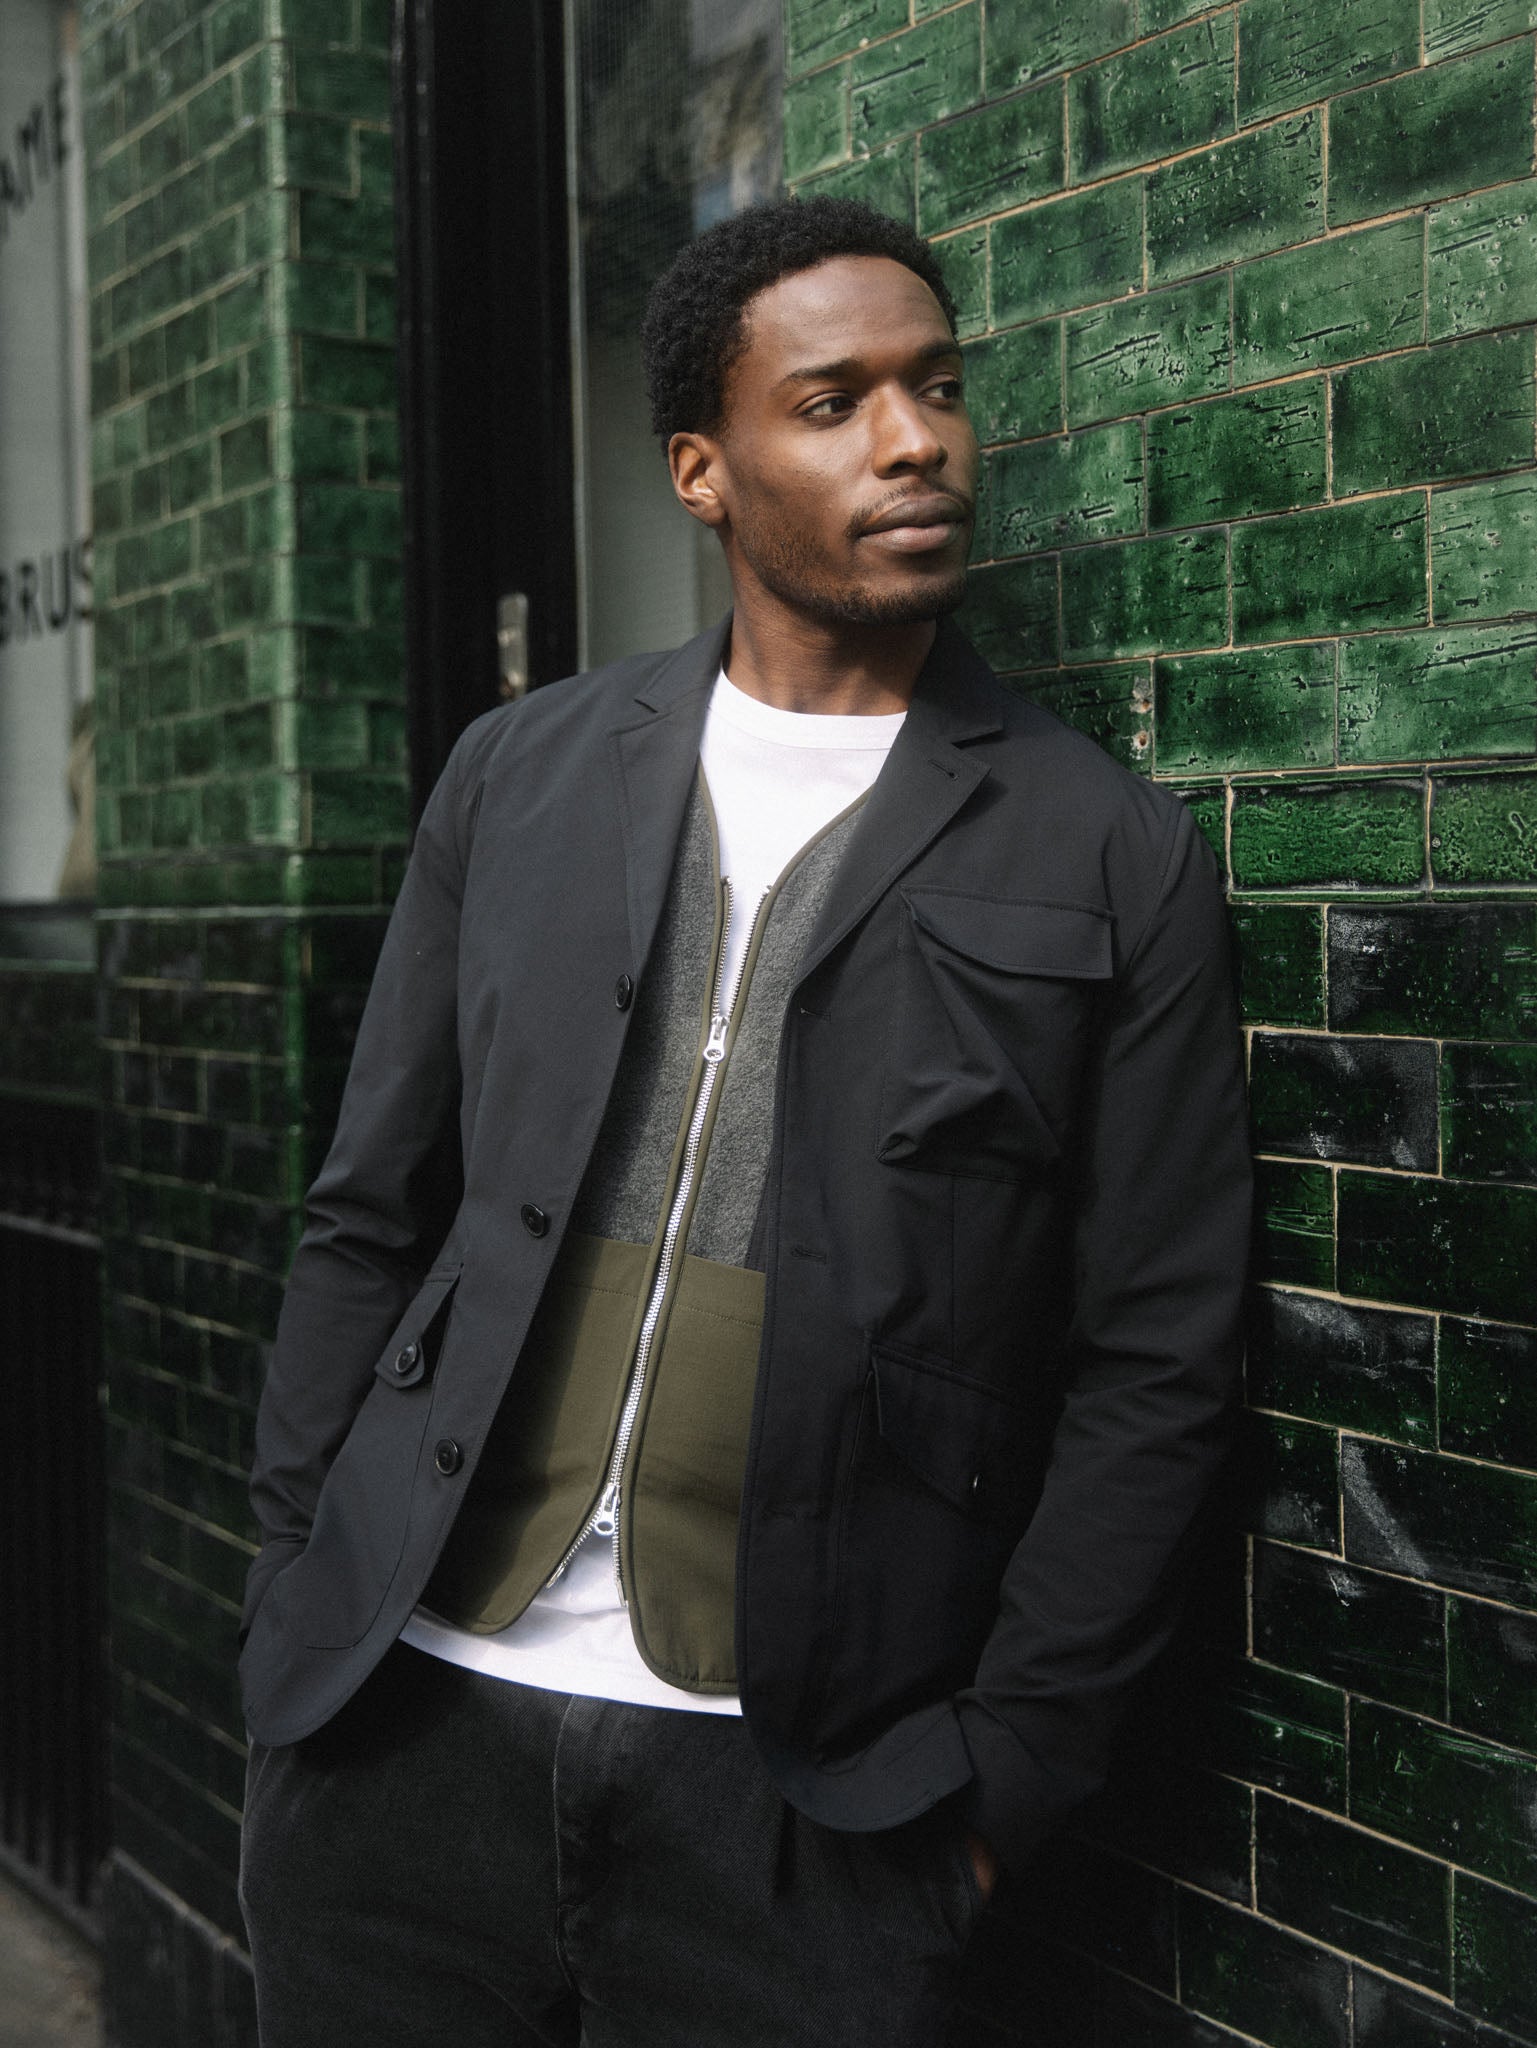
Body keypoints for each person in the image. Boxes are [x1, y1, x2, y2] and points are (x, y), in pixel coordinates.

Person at [238, 195, 1251, 2047]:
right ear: (700, 471)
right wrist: (294, 1603)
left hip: (811, 1802)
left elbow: (1158, 1362)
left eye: (937, 387)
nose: (913, 440)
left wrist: (1004, 1786)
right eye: (834, 401)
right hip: (404, 1729)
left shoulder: (1107, 849)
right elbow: (371, 1210)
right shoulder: (520, 775)